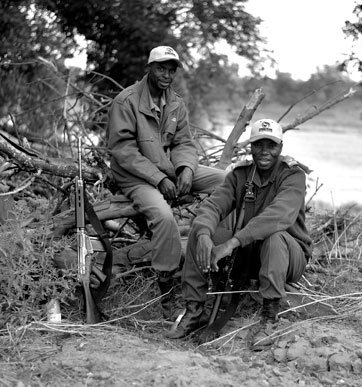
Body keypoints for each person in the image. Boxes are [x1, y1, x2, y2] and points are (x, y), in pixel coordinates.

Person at [166, 118, 312, 350]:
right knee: (198, 230)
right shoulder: (240, 175)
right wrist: (204, 233)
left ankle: (270, 315)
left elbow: (278, 216)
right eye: (258, 145)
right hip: (248, 252)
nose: (264, 152)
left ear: (280, 148)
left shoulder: (293, 176)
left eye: (271, 145)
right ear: (251, 147)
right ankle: (194, 310)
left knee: (274, 238)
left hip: (287, 256)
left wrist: (232, 242)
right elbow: (214, 206)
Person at [107, 45, 226, 319]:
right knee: (163, 217)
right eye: (161, 68)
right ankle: (166, 287)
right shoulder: (126, 102)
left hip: (167, 170)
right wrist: (159, 179)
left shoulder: (176, 103)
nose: (167, 75)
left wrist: (185, 169)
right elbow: (124, 151)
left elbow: (184, 142)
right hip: (135, 176)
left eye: (172, 70)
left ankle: (214, 248)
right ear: (149, 68)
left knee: (224, 181)